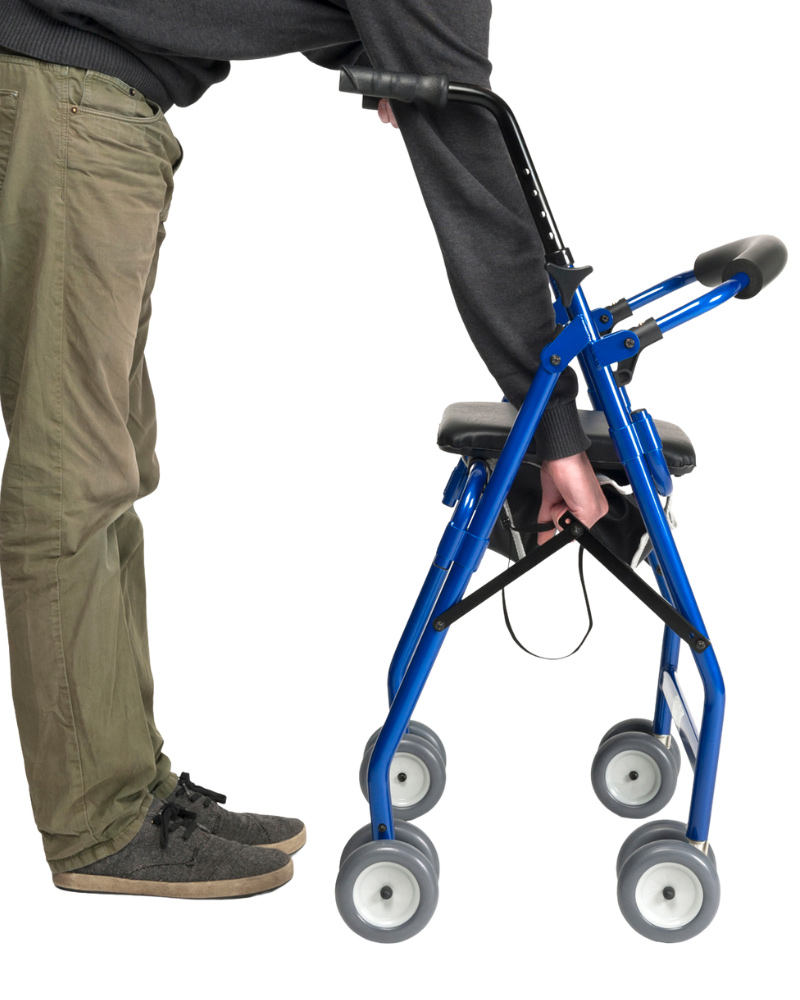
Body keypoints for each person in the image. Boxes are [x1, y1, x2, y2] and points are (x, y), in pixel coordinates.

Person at [0, 1, 607, 899]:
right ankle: (101, 823)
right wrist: (553, 427)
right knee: (74, 475)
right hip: (69, 89)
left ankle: (129, 787)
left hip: (90, 88)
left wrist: (379, 51)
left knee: (113, 464)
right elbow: (469, 169)